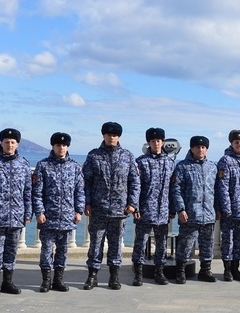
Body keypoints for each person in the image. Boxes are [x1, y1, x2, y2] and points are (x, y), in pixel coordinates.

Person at [82, 122, 140, 290]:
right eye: (108, 134)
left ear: (119, 137)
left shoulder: (127, 156)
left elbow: (134, 182)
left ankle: (114, 277)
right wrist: (87, 202)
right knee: (95, 244)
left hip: (119, 210)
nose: (111, 137)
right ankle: (92, 276)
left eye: (114, 135)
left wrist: (132, 203)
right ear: (103, 136)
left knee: (115, 245)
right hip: (98, 209)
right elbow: (86, 182)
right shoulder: (94, 156)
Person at [0, 128, 32, 296]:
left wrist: (27, 213)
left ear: (17, 144)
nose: (9, 145)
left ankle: (8, 282)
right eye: (6, 142)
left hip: (17, 216)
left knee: (11, 251)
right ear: (1, 143)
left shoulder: (23, 164)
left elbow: (28, 192)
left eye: (13, 142)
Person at [32, 132, 85, 293]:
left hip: (67, 217)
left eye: (63, 145)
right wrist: (39, 212)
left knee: (62, 251)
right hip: (48, 217)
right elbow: (37, 192)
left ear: (67, 147)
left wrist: (79, 210)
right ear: (53, 146)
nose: (61, 148)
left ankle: (58, 280)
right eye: (58, 145)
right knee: (46, 250)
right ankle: (46, 281)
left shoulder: (75, 167)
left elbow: (79, 191)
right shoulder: (43, 166)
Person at [171, 136, 218, 284]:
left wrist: (218, 209)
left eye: (203, 147)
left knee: (207, 245)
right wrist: (180, 209)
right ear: (191, 148)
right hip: (190, 214)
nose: (200, 149)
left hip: (208, 213)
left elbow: (216, 190)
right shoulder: (183, 167)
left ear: (207, 149)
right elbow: (176, 190)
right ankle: (180, 271)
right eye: (197, 147)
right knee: (185, 245)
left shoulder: (212, 167)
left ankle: (205, 270)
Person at [132, 127, 175, 286]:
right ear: (148, 143)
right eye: (153, 141)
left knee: (162, 243)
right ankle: (138, 273)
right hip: (145, 210)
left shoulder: (169, 162)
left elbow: (172, 188)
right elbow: (136, 186)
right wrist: (135, 207)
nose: (156, 143)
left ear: (162, 142)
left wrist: (172, 208)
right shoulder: (141, 162)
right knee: (140, 243)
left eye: (159, 141)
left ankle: (159, 272)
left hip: (163, 211)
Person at [216, 129, 240, 282]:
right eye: (237, 142)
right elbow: (222, 186)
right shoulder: (225, 161)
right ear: (231, 143)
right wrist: (226, 208)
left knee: (239, 242)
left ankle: (235, 268)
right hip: (230, 211)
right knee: (228, 241)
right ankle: (227, 270)